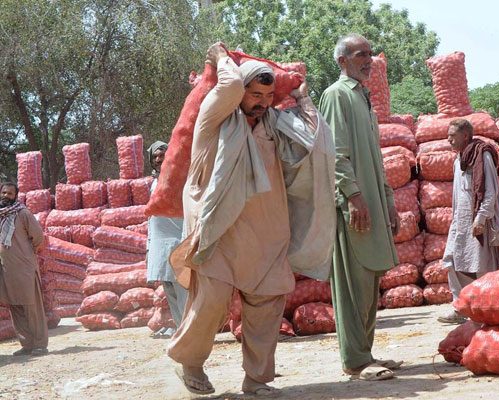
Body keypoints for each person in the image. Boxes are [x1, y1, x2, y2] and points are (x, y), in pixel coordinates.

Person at [166, 43, 335, 396]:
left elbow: (315, 137)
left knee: (267, 306)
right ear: (239, 90)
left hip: (268, 231)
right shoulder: (215, 118)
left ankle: (256, 380)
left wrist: (301, 97)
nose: (261, 101)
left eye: (268, 94)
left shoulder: (274, 123)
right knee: (210, 303)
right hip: (219, 230)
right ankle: (191, 363)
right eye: (254, 93)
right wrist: (218, 57)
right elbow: (226, 86)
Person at [319, 33, 403, 381]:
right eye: (359, 55)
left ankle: (364, 353)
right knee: (353, 282)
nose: (367, 60)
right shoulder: (337, 96)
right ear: (342, 61)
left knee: (369, 281)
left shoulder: (363, 99)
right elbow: (334, 153)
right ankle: (354, 361)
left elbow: (376, 160)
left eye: (369, 54)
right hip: (352, 205)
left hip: (371, 202)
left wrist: (388, 202)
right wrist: (353, 196)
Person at [437, 119, 499, 324]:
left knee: (482, 267)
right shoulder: (459, 161)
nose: (448, 139)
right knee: (453, 262)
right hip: (460, 222)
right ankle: (461, 307)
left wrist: (481, 218)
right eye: (448, 135)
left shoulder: (482, 156)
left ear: (465, 136)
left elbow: (490, 191)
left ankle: (488, 309)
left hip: (480, 222)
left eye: (453, 135)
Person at [0, 182, 48, 356]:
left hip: (24, 269)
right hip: (7, 271)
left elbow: (38, 237)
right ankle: (26, 344)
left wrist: (27, 254)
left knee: (31, 307)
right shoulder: (1, 215)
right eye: (4, 192)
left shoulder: (23, 214)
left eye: (10, 194)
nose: (6, 196)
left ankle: (40, 344)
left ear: (16, 196)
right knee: (15, 308)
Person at [146, 141, 186, 337]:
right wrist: (148, 247)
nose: (159, 158)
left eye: (162, 154)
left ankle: (190, 333)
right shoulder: (154, 182)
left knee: (183, 288)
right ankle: (181, 330)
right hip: (160, 244)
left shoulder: (179, 177)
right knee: (169, 287)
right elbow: (151, 217)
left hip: (177, 239)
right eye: (155, 156)